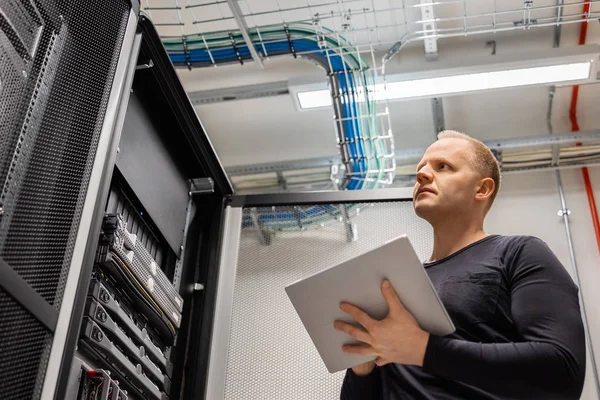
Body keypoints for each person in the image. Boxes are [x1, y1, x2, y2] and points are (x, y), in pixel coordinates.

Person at [335, 130, 586, 400]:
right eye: (421, 169)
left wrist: (422, 349)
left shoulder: (518, 253)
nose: (422, 175)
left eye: (443, 167)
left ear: (482, 188)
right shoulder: (396, 287)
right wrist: (362, 368)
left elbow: (561, 371)